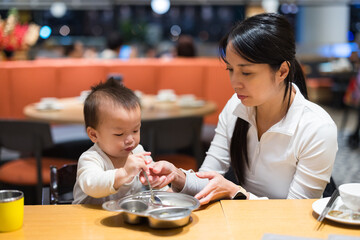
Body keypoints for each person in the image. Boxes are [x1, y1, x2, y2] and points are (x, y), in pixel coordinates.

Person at [144, 13, 338, 205]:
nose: (235, 83)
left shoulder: (316, 128)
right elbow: (207, 177)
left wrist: (236, 192)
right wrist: (177, 176)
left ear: (282, 71)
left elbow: (297, 216)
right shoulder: (236, 107)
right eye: (230, 70)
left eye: (246, 72)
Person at [73, 78, 167, 204]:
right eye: (119, 134)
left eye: (135, 130)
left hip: (126, 217)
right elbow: (92, 184)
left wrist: (159, 183)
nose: (130, 140)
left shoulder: (138, 151)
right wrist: (124, 173)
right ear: (94, 134)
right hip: (88, 220)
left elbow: (158, 186)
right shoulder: (91, 159)